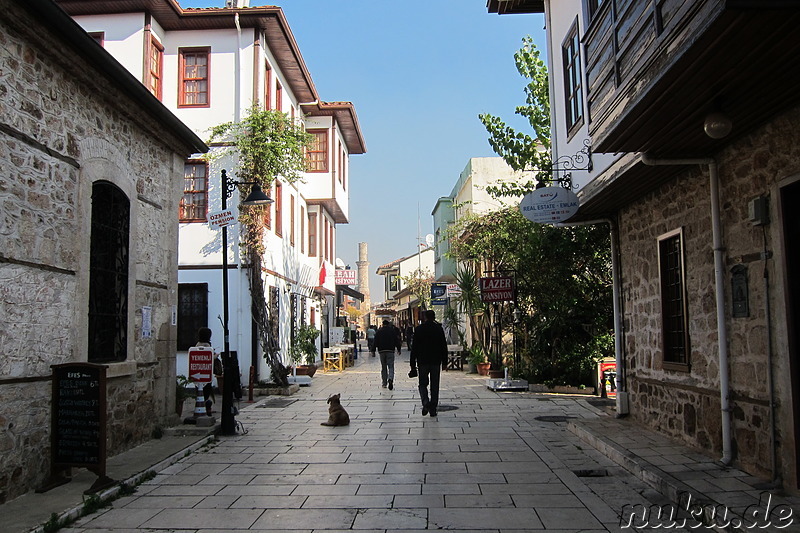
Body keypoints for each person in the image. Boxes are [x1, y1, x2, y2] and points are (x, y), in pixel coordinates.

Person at [410, 310, 448, 417]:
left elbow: (414, 347)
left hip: (422, 361)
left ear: (425, 317)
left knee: (422, 384)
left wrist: (412, 363)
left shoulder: (419, 329)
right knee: (434, 385)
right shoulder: (438, 329)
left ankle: (425, 402)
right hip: (436, 361)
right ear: (434, 317)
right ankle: (433, 408)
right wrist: (445, 362)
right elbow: (443, 346)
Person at [375, 320, 401, 389]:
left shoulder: (379, 331)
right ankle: (390, 378)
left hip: (382, 351)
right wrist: (398, 349)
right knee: (391, 366)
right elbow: (396, 340)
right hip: (390, 350)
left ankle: (384, 383)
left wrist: (373, 350)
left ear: (382, 324)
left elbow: (376, 340)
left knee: (383, 367)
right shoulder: (392, 331)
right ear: (388, 324)